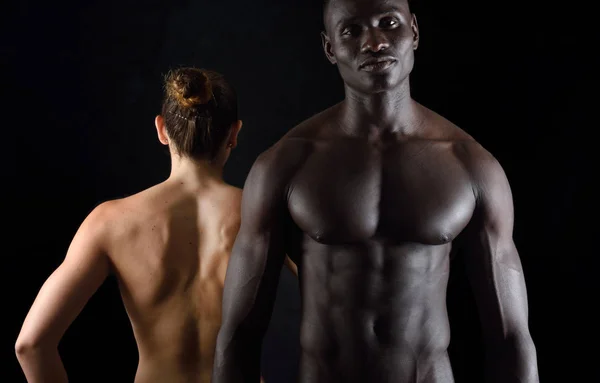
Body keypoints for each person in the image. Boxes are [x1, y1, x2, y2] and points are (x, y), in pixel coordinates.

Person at [212, 0, 539, 382]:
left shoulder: (471, 166)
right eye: (352, 30)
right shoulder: (285, 165)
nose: (374, 42)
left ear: (414, 31)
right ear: (330, 48)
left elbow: (511, 337)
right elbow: (238, 336)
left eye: (389, 23)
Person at [14, 67, 290, 383]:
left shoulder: (110, 222)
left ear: (161, 129)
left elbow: (30, 345)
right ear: (234, 134)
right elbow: (341, 301)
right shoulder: (268, 215)